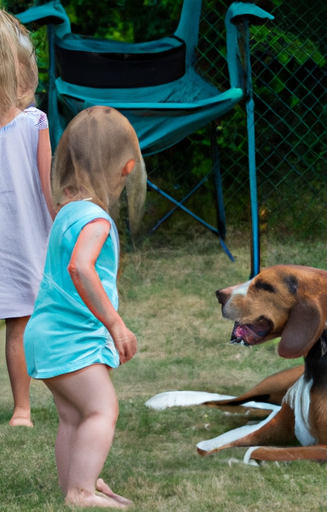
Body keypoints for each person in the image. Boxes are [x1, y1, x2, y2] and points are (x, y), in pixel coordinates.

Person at [24, 106, 143, 508]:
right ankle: (81, 492)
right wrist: (116, 324)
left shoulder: (66, 213)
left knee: (73, 417)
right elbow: (80, 268)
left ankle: (77, 482)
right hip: (69, 338)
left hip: (43, 335)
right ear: (126, 169)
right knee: (101, 410)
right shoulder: (96, 220)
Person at [0, 9, 55, 427]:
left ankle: (23, 407)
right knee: (22, 324)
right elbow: (48, 186)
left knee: (20, 323)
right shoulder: (34, 122)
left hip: (18, 238)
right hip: (23, 239)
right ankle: (22, 408)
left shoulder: (35, 121)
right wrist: (63, 228)